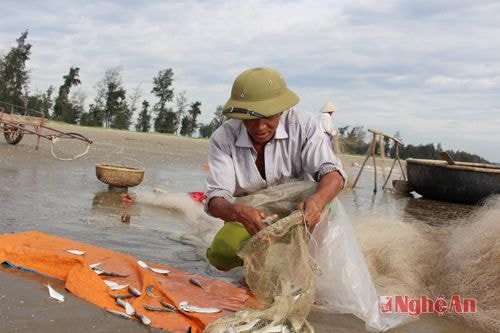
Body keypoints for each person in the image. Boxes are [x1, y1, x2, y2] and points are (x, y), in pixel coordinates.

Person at [204, 67, 346, 271]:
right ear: (240, 115)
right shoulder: (224, 137)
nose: (260, 127)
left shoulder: (304, 125)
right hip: (252, 215)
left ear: (281, 110)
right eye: (252, 117)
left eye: (269, 117)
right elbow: (217, 197)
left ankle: (310, 265)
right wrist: (237, 211)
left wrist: (317, 201)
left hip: (300, 212)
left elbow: (332, 174)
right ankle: (254, 266)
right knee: (222, 255)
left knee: (313, 259)